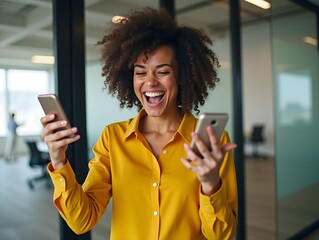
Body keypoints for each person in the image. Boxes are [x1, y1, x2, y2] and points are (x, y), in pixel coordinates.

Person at [40, 7, 238, 239]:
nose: (150, 82)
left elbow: (222, 235)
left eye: (162, 71)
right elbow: (82, 221)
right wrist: (59, 160)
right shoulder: (112, 138)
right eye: (140, 72)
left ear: (182, 76)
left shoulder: (211, 142)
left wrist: (210, 184)